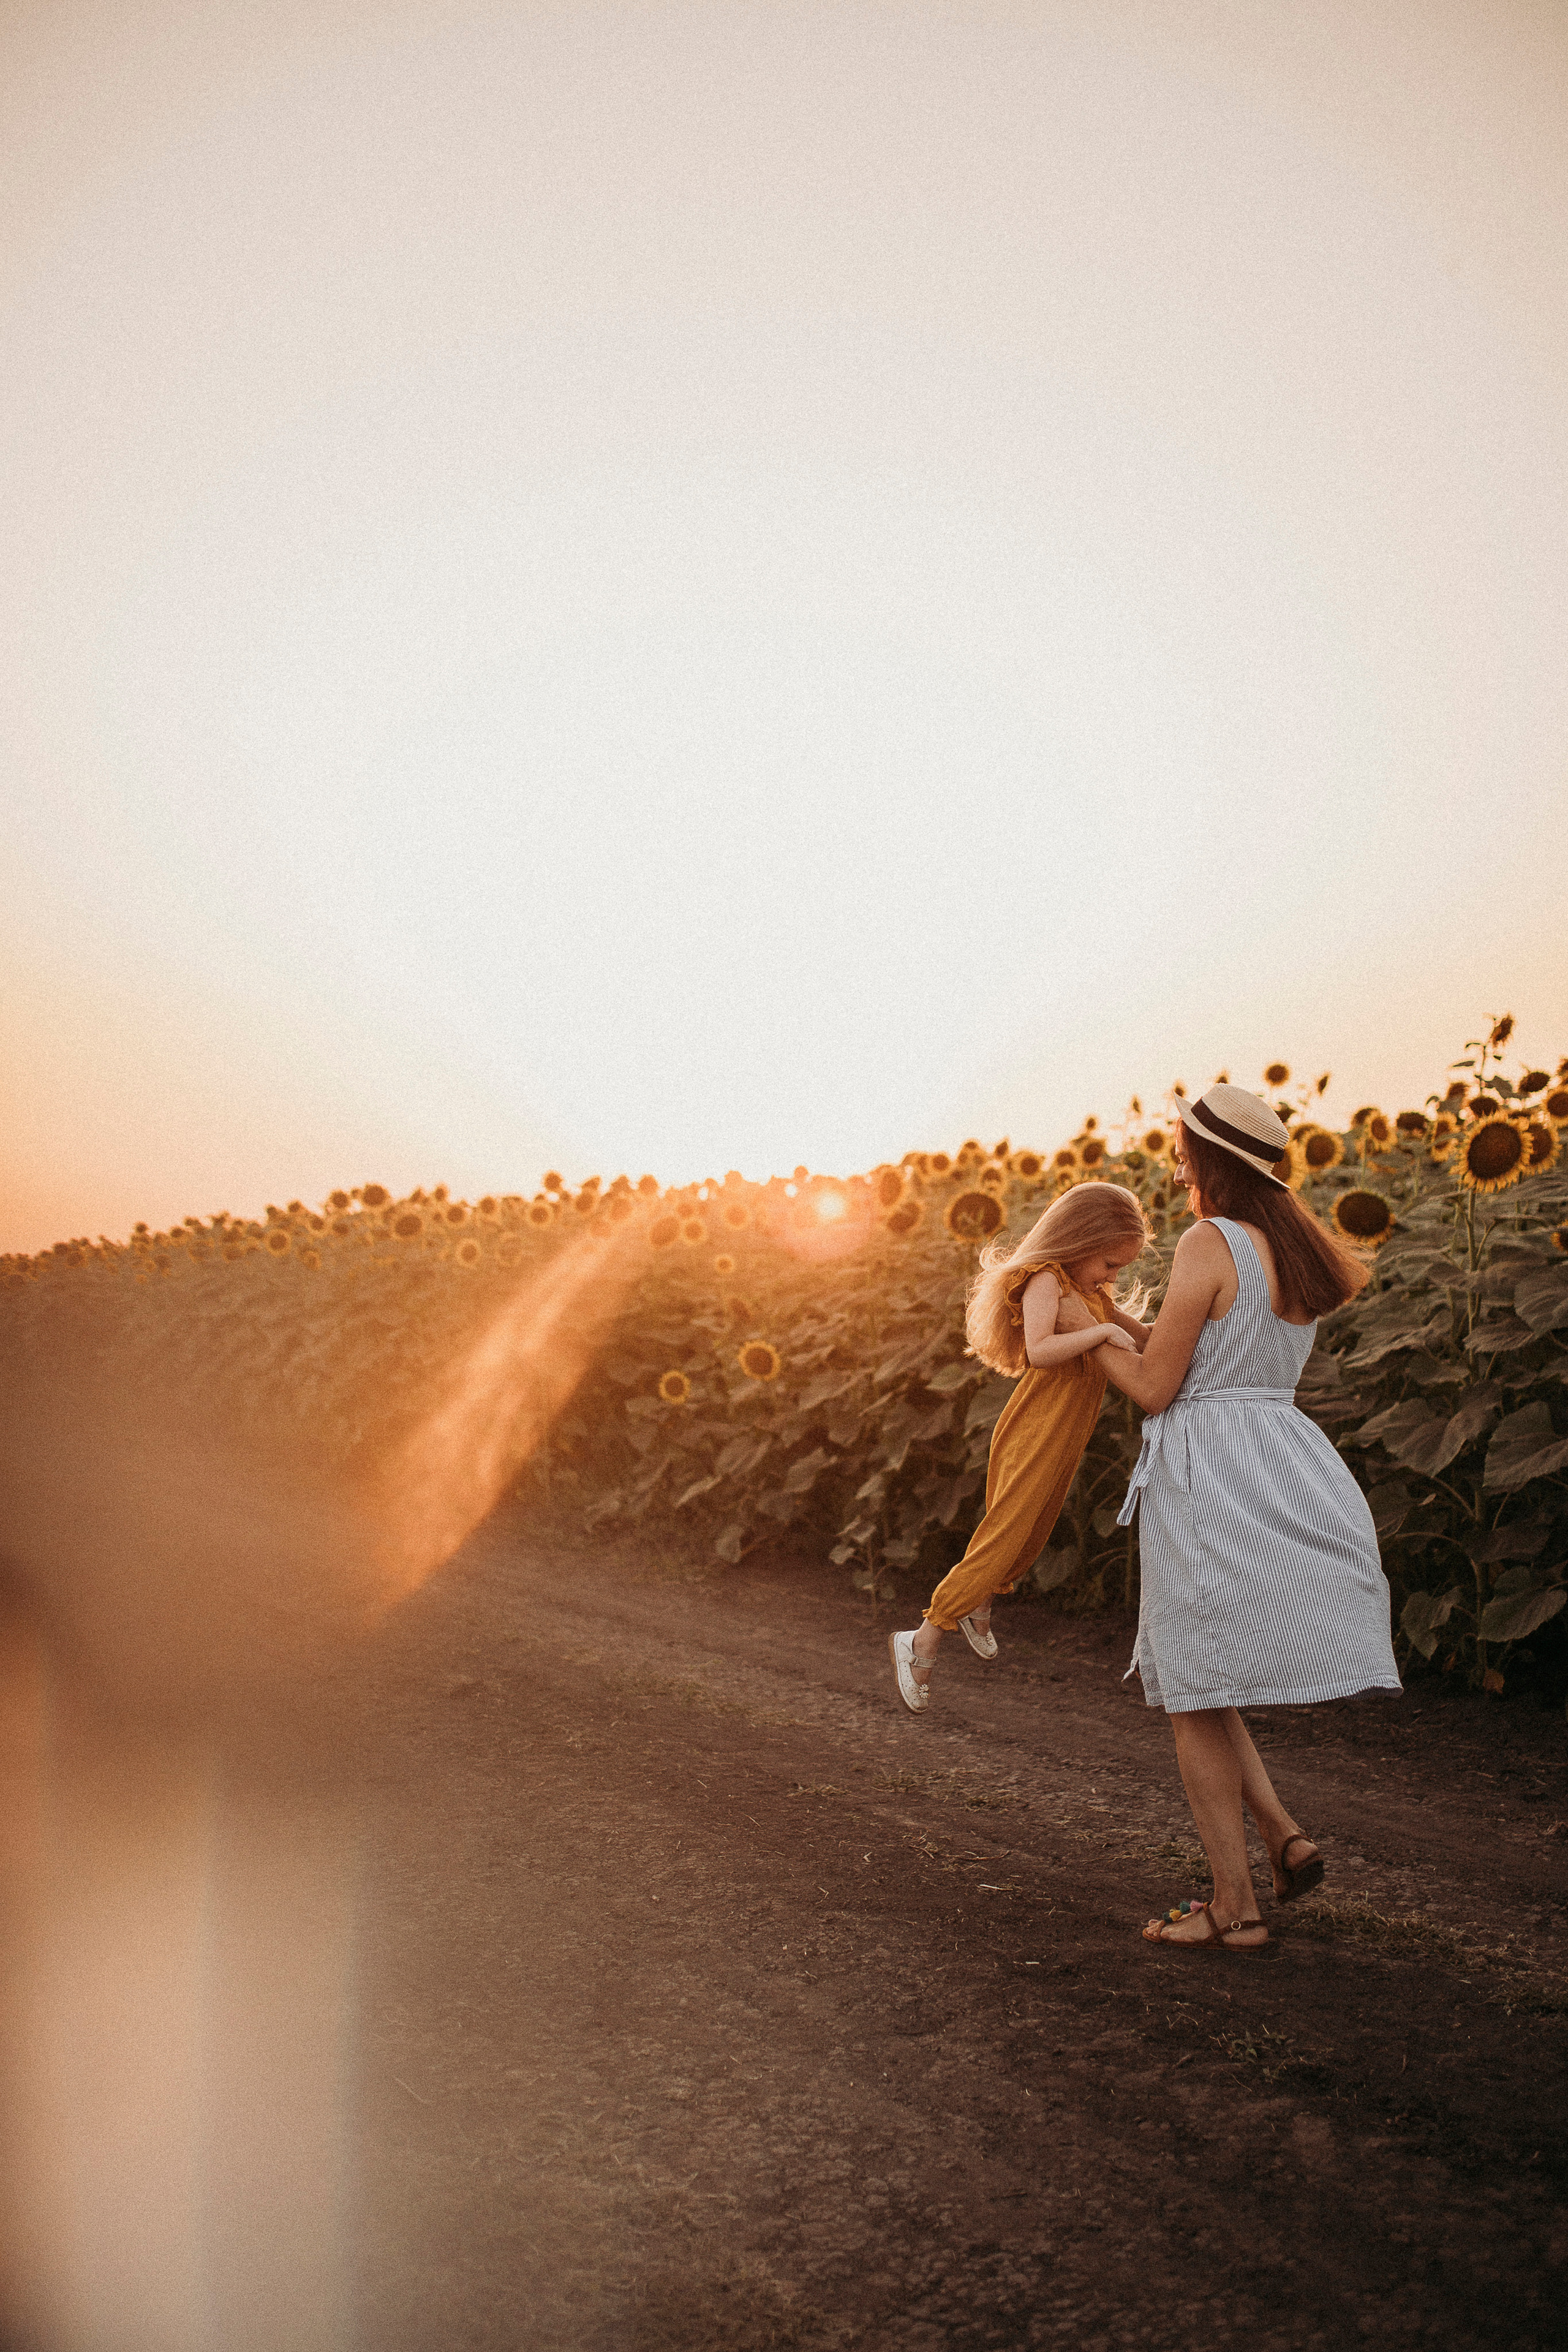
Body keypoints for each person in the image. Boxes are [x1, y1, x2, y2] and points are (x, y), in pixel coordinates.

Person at [1072, 1083, 1400, 1953]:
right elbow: (1204, 1357)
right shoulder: (1290, 1249)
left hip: (1204, 1477)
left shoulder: (1207, 1240)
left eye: (1182, 1148)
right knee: (1205, 1679)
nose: (1175, 1162)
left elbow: (1154, 1388)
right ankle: (1285, 1839)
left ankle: (1235, 1907)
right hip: (1274, 1457)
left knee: (1190, 1689)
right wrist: (1111, 1322)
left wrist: (1081, 1328)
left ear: (1210, 1159)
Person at [888, 1183, 1152, 1713]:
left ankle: (978, 1604)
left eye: (1119, 1268)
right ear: (1078, 1242)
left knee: (1032, 1531)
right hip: (1035, 1426)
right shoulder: (1044, 1283)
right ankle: (922, 1638)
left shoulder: (1091, 1297)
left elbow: (1144, 1336)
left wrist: (1211, 1321)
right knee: (1006, 1533)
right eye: (1108, 1263)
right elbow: (1041, 1350)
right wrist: (1100, 1335)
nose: (1112, 1278)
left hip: (1063, 1432)